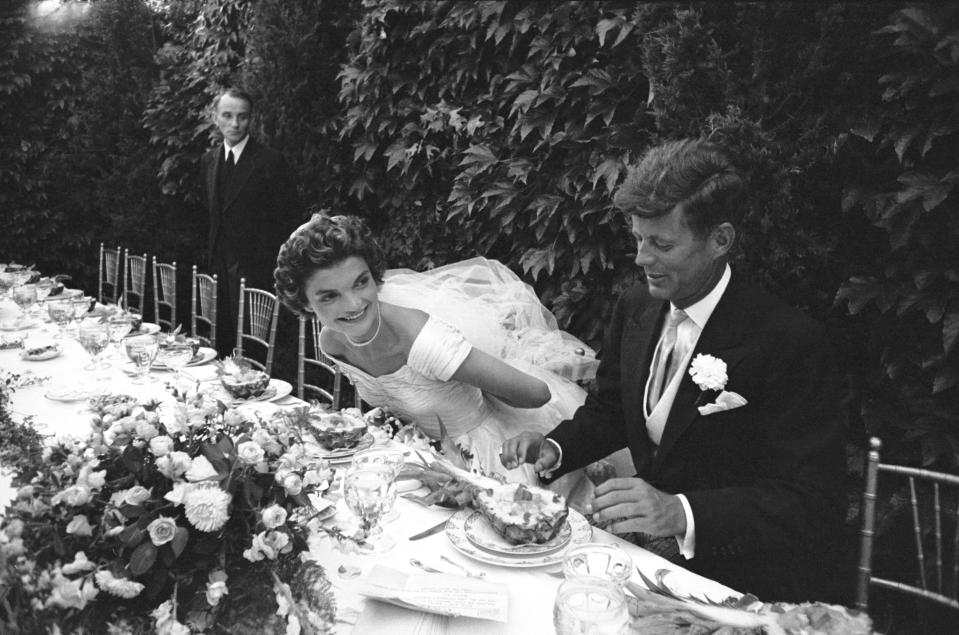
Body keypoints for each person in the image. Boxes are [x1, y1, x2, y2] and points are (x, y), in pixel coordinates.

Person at [500, 138, 847, 602]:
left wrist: (680, 513)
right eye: (638, 239)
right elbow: (612, 409)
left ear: (720, 240)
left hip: (745, 578)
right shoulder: (636, 306)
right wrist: (557, 447)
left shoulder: (789, 342)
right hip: (646, 561)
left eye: (661, 244)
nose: (642, 259)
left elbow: (812, 500)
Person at [273, 214, 633, 492]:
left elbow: (537, 393)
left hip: (489, 462)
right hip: (425, 459)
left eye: (361, 282)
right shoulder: (332, 342)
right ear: (303, 302)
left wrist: (470, 377)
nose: (353, 304)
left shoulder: (423, 340)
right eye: (329, 296)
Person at [200, 87, 303, 356]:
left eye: (243, 117)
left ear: (251, 119)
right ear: (215, 117)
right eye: (228, 115)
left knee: (254, 348)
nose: (235, 123)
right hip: (218, 268)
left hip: (255, 270)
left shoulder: (269, 161)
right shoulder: (208, 161)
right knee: (220, 342)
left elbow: (288, 218)